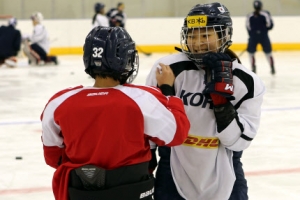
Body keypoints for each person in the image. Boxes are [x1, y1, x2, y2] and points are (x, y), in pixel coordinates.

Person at [40, 26, 190, 200]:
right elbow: (177, 134)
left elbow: (52, 157)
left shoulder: (59, 102)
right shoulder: (142, 98)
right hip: (134, 191)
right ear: (126, 59)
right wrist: (169, 92)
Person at [146, 2, 265, 200]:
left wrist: (221, 104)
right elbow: (151, 126)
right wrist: (148, 161)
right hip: (173, 167)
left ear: (223, 35)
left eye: (205, 35)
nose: (197, 42)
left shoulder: (246, 81)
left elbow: (237, 143)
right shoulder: (167, 69)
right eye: (192, 35)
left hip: (225, 171)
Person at [246, 0, 275, 74]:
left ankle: (253, 68)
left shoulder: (250, 15)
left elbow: (248, 27)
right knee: (268, 53)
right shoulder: (265, 14)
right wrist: (264, 30)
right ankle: (272, 68)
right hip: (263, 35)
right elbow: (270, 25)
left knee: (251, 53)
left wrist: (252, 34)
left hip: (253, 36)